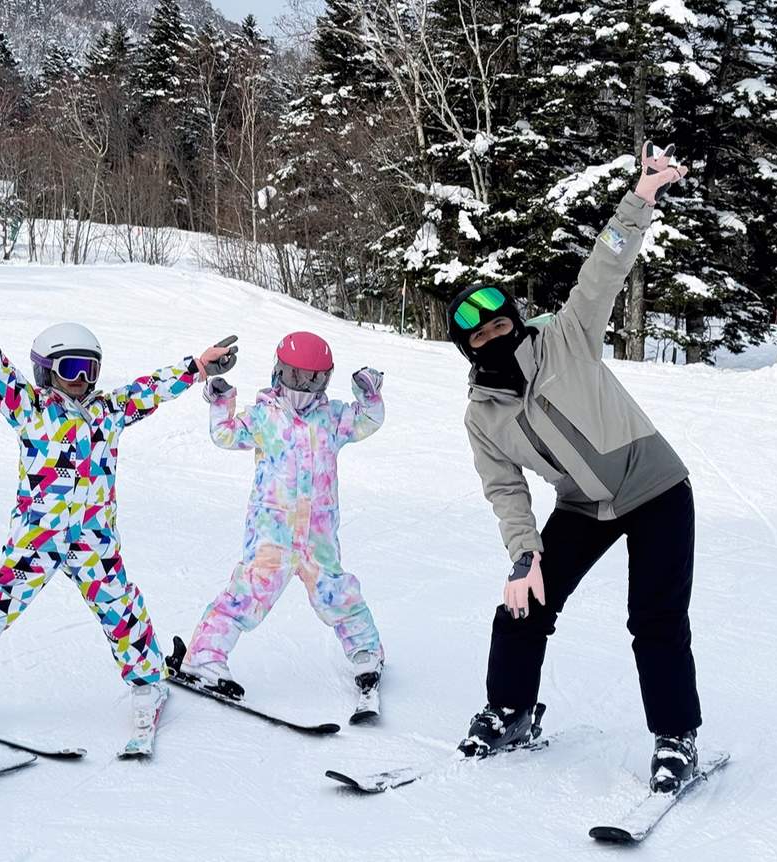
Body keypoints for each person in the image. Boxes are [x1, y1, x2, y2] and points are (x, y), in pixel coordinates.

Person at [449, 143, 702, 792]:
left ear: (513, 319)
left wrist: (640, 196)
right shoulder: (481, 412)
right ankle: (509, 712)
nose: (494, 336)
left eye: (500, 323)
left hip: (655, 489)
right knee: (522, 607)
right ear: (467, 349)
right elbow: (504, 490)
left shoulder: (566, 334)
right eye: (478, 336)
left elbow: (603, 268)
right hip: (583, 507)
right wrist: (522, 555)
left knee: (653, 619)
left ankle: (675, 740)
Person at [0, 288, 237, 736]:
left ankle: (149, 682)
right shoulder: (30, 409)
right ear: (46, 371)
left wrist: (200, 366)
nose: (81, 379)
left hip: (94, 538)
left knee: (120, 606)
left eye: (89, 369)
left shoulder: (108, 412)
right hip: (38, 535)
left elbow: (151, 389)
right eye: (71, 368)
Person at [180, 331, 386, 705]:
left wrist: (369, 393)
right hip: (271, 534)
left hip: (317, 535)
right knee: (246, 594)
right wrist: (222, 399)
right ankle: (205, 658)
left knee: (337, 593)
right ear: (279, 372)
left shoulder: (333, 418)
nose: (305, 387)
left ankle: (366, 652)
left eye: (315, 379)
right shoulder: (264, 417)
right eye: (296, 377)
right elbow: (224, 435)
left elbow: (368, 420)